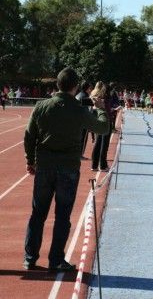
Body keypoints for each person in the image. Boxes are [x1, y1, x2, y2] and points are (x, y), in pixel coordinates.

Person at [23, 67, 109, 271]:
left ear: (57, 85)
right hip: (68, 169)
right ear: (75, 86)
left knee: (38, 214)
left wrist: (30, 159)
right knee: (62, 216)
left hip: (44, 166)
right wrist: (101, 108)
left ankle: (30, 258)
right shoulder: (79, 110)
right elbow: (103, 128)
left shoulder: (41, 106)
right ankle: (55, 260)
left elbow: (29, 136)